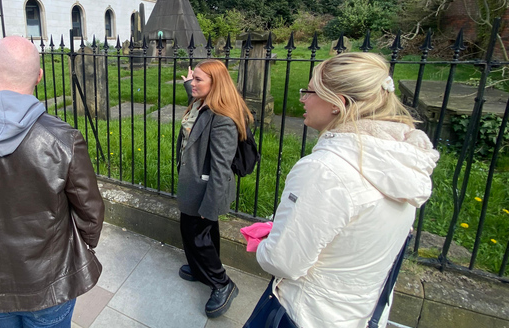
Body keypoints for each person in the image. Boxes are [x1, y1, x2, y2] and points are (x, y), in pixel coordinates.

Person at [246, 53, 439, 328]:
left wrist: (266, 245)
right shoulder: (401, 164)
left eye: (309, 91)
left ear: (339, 103)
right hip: (356, 313)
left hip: (303, 314)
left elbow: (283, 262)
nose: (302, 98)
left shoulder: (324, 171)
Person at [0, 36, 105, 328]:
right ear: (39, 76)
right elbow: (91, 215)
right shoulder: (63, 140)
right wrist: (84, 244)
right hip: (48, 283)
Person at [177, 59, 254, 318]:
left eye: (199, 80)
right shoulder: (203, 103)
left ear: (215, 85)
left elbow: (221, 168)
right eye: (194, 79)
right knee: (200, 233)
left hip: (206, 189)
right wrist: (190, 84)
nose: (193, 83)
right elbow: (196, 91)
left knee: (198, 237)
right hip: (193, 185)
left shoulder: (223, 119)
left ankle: (222, 284)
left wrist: (209, 207)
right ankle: (201, 270)